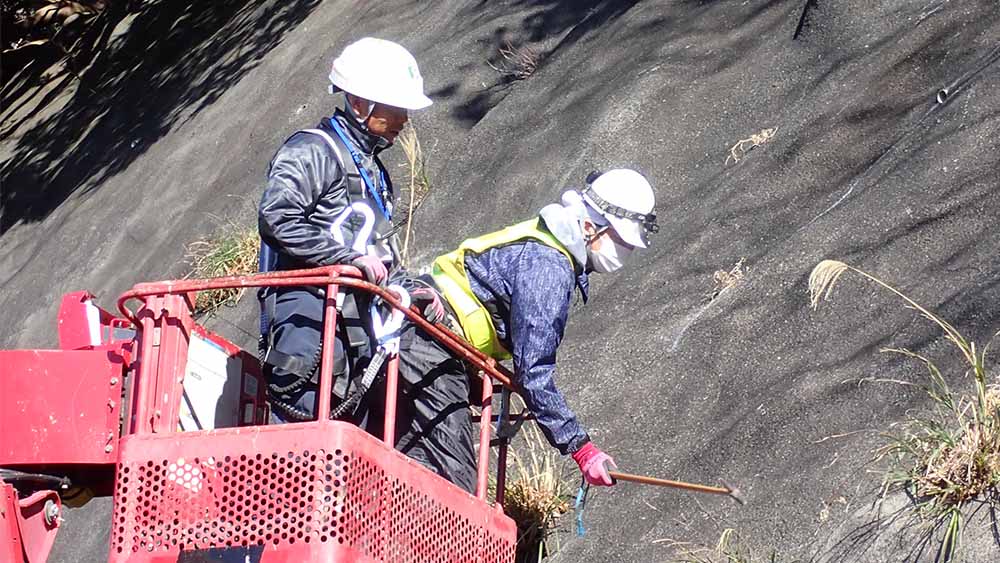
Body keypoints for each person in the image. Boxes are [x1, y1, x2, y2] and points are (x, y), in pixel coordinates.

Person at [390, 169, 658, 493]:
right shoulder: (549, 265)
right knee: (450, 484)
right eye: (619, 241)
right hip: (429, 342)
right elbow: (533, 373)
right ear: (589, 226)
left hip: (422, 339)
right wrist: (582, 448)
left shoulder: (544, 248)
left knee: (411, 470)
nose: (623, 253)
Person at [257, 37, 432, 424]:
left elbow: (379, 258)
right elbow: (277, 218)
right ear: (359, 103)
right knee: (299, 447)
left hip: (355, 334)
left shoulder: (375, 173)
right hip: (307, 324)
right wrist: (348, 259)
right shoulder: (313, 150)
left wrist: (416, 289)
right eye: (396, 106)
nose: (405, 119)